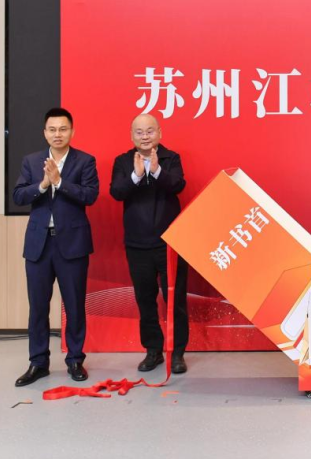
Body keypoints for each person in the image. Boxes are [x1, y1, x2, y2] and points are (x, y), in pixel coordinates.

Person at [12, 108, 99, 387]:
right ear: (45, 132)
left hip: (72, 244)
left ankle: (75, 359)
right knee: (38, 307)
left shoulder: (85, 161)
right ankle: (38, 362)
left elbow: (90, 195)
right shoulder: (31, 161)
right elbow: (18, 196)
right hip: (39, 245)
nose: (57, 134)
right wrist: (43, 184)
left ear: (72, 131)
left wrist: (60, 182)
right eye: (52, 129)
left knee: (74, 305)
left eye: (63, 129)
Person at [109, 113, 190, 374]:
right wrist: (136, 175)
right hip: (137, 244)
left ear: (159, 133)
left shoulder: (170, 158)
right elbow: (116, 192)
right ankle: (153, 350)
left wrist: (156, 171)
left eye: (150, 131)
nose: (145, 136)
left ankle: (177, 353)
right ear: (132, 136)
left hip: (170, 244)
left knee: (175, 300)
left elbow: (178, 185)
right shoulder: (123, 161)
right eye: (139, 132)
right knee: (145, 300)